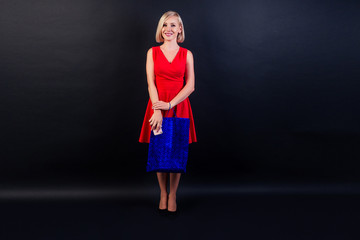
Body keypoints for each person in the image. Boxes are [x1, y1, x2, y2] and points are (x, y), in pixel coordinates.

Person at [139, 10, 197, 214]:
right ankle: (162, 193)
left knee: (177, 153)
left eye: (173, 25)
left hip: (179, 107)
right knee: (160, 151)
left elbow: (190, 86)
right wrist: (156, 110)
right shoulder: (152, 52)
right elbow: (150, 83)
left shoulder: (187, 54)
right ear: (160, 29)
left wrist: (170, 105)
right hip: (157, 107)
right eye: (165, 25)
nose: (168, 29)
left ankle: (173, 194)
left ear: (180, 29)